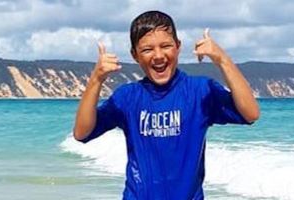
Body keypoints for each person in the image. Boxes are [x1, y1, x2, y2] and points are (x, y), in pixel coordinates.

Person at [72, 10, 260, 200]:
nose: (158, 55)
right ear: (135, 55)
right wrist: (96, 80)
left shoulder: (200, 92)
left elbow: (250, 113)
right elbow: (82, 132)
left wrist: (222, 60)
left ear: (178, 47)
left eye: (166, 46)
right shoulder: (128, 97)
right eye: (147, 49)